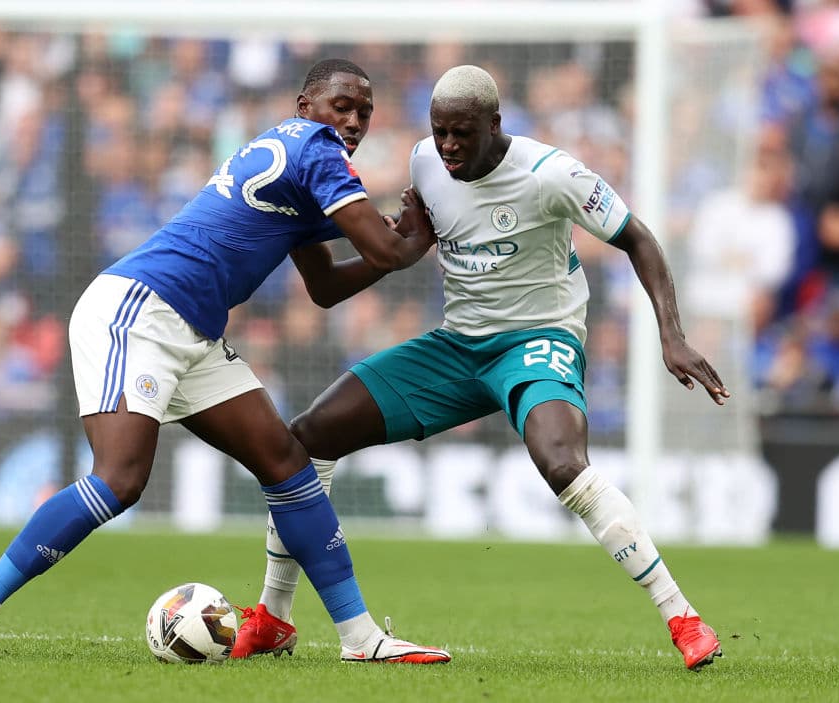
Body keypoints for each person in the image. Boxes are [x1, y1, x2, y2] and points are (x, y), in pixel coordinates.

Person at [0, 58, 450, 665]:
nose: (355, 121)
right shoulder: (315, 147)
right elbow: (385, 250)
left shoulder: (299, 159)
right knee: (120, 479)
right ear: (305, 105)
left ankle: (360, 639)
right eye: (343, 106)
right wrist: (418, 235)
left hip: (192, 330)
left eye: (365, 112)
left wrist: (403, 243)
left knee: (288, 463)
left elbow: (326, 288)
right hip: (139, 311)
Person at [234, 65, 729, 671]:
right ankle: (274, 616)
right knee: (309, 436)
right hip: (458, 346)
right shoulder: (424, 162)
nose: (447, 146)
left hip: (537, 338)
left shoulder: (554, 174)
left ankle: (682, 617)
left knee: (562, 462)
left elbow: (640, 239)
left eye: (461, 134)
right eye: (439, 131)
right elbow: (397, 245)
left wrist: (671, 335)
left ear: (495, 125)